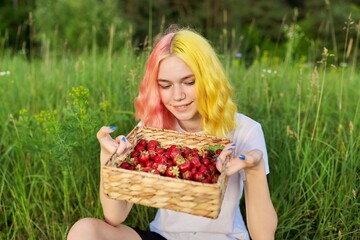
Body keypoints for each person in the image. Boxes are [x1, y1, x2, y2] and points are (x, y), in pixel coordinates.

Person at [67, 26, 278, 240]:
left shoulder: (245, 130)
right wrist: (109, 158)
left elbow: (263, 236)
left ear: (208, 79)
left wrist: (255, 170)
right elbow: (114, 216)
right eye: (165, 85)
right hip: (164, 237)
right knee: (84, 231)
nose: (177, 96)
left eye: (189, 82)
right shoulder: (152, 128)